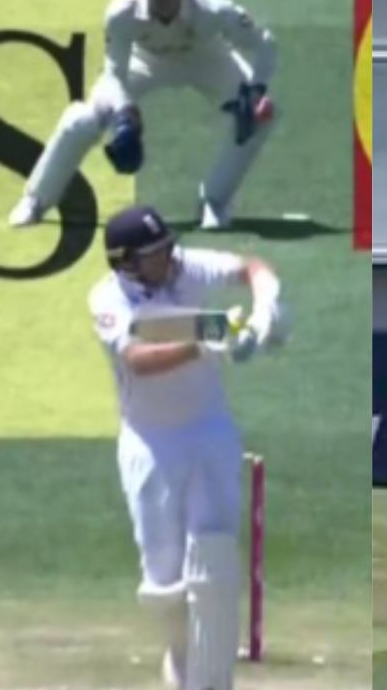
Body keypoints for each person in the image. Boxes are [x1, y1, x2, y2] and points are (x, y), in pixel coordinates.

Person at [89, 204, 286, 688]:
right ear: (127, 262)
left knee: (215, 553)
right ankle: (182, 663)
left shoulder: (186, 265)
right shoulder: (107, 297)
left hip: (209, 430)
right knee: (163, 581)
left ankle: (212, 679)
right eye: (156, 253)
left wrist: (267, 306)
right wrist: (204, 340)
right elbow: (137, 358)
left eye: (168, 246)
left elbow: (252, 267)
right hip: (150, 444)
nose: (171, 257)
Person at [10, 0, 277, 231]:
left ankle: (216, 200)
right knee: (85, 120)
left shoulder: (214, 10)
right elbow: (114, 74)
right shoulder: (122, 12)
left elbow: (265, 43)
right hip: (144, 61)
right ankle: (36, 199)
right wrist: (125, 114)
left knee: (259, 118)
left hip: (205, 57)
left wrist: (256, 92)